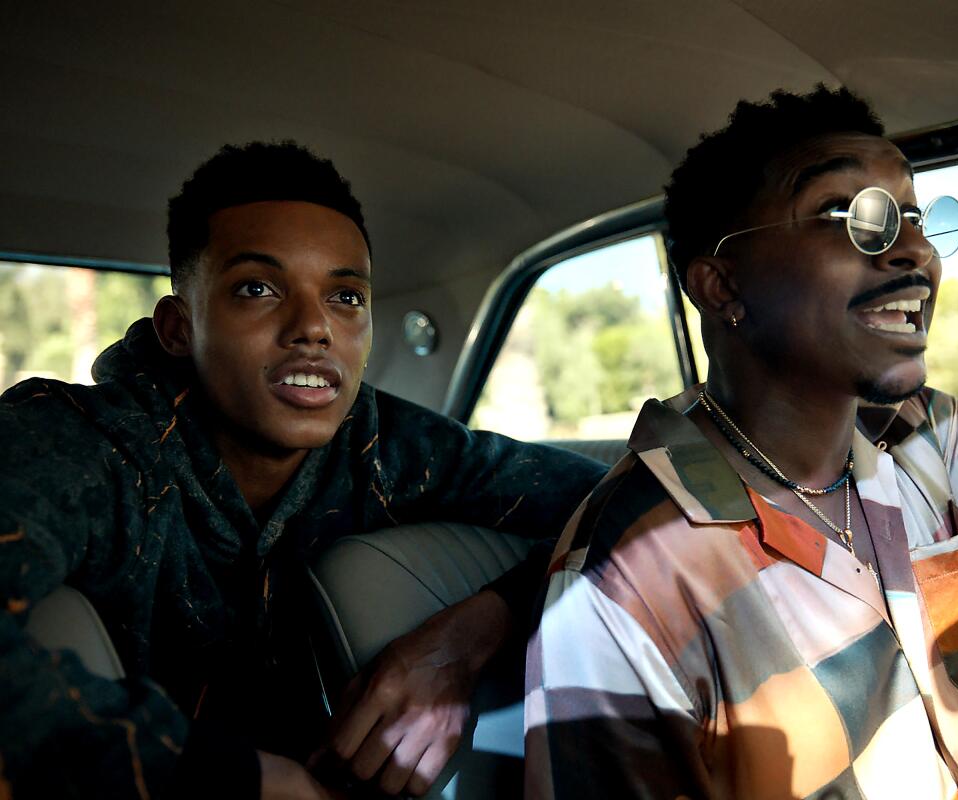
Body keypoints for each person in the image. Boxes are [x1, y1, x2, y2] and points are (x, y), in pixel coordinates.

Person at [524, 85, 958, 799]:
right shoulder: (621, 584)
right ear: (721, 284)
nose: (915, 252)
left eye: (912, 216)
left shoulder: (928, 435)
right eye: (849, 215)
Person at [0, 141, 606, 799]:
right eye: (257, 288)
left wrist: (463, 642)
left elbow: (625, 504)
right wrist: (236, 778)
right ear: (178, 329)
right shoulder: (75, 445)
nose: (314, 326)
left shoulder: (377, 444)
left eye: (346, 296)